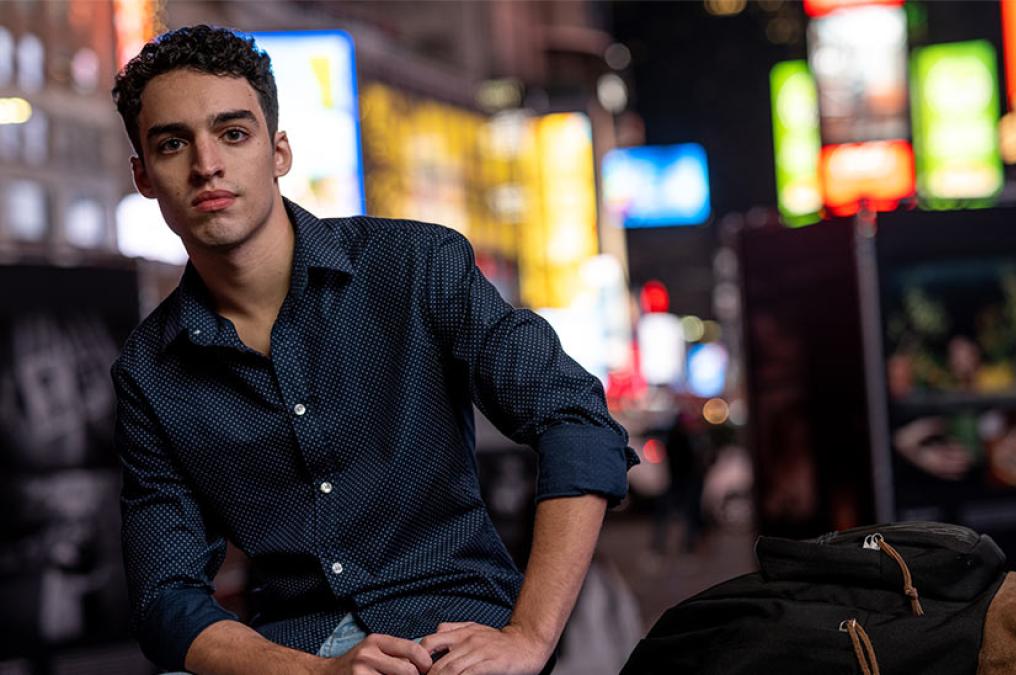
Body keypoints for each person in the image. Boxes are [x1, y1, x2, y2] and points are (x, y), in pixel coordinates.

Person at [110, 25, 637, 675]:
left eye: (233, 133)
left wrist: (530, 634)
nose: (206, 164)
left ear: (279, 151)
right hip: (291, 652)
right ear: (143, 174)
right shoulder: (149, 370)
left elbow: (576, 417)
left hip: (456, 631)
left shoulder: (417, 266)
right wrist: (316, 671)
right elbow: (166, 597)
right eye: (171, 143)